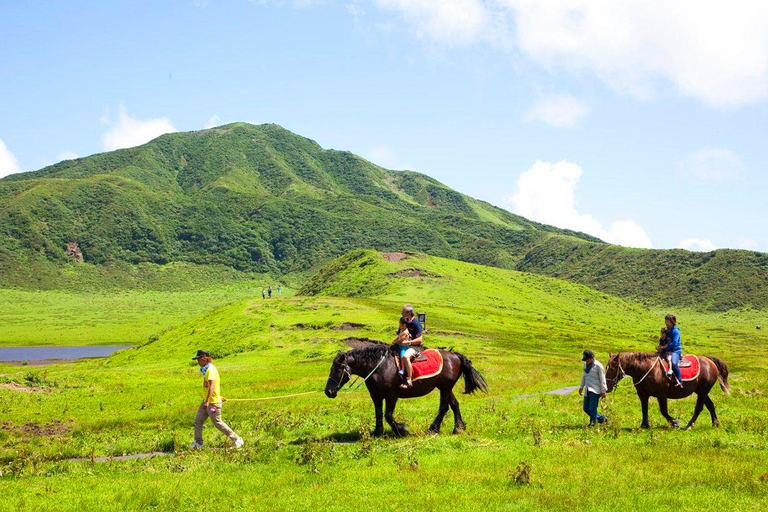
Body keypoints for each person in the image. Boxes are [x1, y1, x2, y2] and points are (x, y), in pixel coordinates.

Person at [191, 350, 243, 449]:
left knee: (218, 423)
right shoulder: (206, 370)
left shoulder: (211, 370)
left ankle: (237, 439)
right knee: (198, 420)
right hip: (207, 401)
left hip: (212, 403)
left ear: (204, 359)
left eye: (198, 359)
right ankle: (198, 443)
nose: (197, 362)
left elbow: (212, 387)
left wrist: (207, 401)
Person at [396, 305, 423, 389]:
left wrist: (408, 342)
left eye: (403, 312)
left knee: (405, 356)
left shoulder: (416, 323)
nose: (401, 313)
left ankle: (409, 380)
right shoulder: (404, 321)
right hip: (403, 345)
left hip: (414, 347)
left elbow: (420, 339)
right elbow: (399, 334)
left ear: (409, 313)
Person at [578, 350, 607, 426]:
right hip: (587, 389)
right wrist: (581, 387)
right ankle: (601, 418)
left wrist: (603, 391)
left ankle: (592, 423)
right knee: (586, 408)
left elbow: (602, 379)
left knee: (592, 408)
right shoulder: (585, 365)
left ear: (591, 358)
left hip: (596, 390)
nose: (586, 361)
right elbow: (584, 376)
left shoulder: (598, 366)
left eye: (587, 359)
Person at [657, 314, 683, 388]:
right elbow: (662, 338)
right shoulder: (666, 330)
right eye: (665, 320)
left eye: (668, 321)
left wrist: (663, 349)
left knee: (674, 363)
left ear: (672, 322)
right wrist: (660, 346)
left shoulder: (675, 331)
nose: (666, 322)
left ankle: (680, 381)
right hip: (666, 350)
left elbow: (674, 343)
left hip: (675, 350)